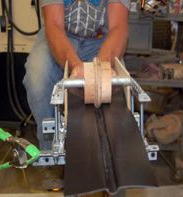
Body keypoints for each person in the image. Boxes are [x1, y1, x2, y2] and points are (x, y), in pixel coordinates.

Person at [23, 0, 130, 150]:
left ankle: (108, 153)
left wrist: (100, 67)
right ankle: (51, 152)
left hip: (101, 39)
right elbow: (54, 25)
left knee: (118, 89)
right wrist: (75, 65)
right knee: (37, 78)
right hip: (60, 33)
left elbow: (118, 27)